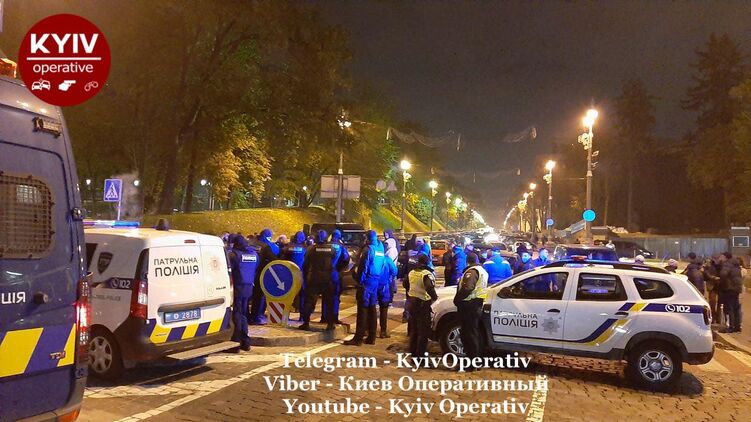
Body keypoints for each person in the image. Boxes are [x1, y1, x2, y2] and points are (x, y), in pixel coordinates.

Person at [345, 230, 386, 346]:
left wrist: (359, 280)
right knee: (372, 309)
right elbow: (382, 265)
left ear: (367, 239)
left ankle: (358, 339)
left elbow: (363, 266)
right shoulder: (380, 249)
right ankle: (371, 337)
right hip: (375, 281)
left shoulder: (368, 250)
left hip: (366, 282)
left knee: (362, 310)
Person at [300, 230, 343, 331]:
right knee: (329, 302)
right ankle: (330, 324)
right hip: (328, 278)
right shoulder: (332, 249)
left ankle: (306, 323)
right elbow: (344, 259)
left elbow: (305, 265)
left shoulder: (311, 249)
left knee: (309, 301)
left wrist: (305, 277)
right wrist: (336, 270)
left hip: (314, 278)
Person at [453, 253, 488, 367]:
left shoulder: (472, 271)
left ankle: (471, 363)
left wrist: (457, 299)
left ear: (467, 261)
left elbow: (468, 288)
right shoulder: (482, 271)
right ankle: (475, 361)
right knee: (472, 333)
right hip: (476, 305)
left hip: (469, 306)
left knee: (468, 335)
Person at [227, 235, 258, 351]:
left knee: (236, 315)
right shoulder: (254, 254)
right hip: (249, 288)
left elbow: (229, 270)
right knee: (243, 314)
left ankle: (236, 343)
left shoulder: (234, 255)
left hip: (237, 288)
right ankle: (245, 342)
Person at [406, 254, 438, 357]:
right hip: (422, 305)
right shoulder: (426, 274)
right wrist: (434, 297)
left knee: (414, 331)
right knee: (423, 333)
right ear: (427, 262)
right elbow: (429, 287)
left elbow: (405, 284)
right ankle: (420, 356)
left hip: (412, 303)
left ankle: (413, 354)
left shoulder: (412, 272)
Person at [249, 228, 280, 325]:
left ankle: (246, 316)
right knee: (258, 296)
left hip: (247, 273)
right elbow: (273, 259)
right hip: (259, 273)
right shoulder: (265, 247)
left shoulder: (250, 243)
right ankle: (255, 317)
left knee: (246, 297)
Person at [321, 229, 350, 324]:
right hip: (335, 273)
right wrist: (340, 268)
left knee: (325, 295)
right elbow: (346, 259)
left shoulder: (326, 245)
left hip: (325, 274)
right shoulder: (341, 246)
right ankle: (334, 317)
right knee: (335, 296)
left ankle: (324, 317)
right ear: (339, 237)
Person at [378, 237, 399, 338]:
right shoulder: (387, 260)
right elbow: (395, 271)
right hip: (384, 286)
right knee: (383, 309)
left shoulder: (375, 258)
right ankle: (383, 331)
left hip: (374, 286)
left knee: (371, 308)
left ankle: (369, 330)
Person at [283, 231, 307, 317]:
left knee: (287, 293)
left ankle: (285, 313)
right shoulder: (305, 248)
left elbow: (283, 259)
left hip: (288, 272)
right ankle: (301, 314)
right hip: (300, 273)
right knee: (301, 293)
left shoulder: (287, 247)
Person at [719, 252, 743, 333]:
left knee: (729, 308)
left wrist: (721, 283)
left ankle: (730, 327)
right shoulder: (736, 265)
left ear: (725, 257)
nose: (720, 258)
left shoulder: (727, 265)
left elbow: (723, 274)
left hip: (729, 289)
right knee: (736, 308)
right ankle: (737, 326)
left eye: (721, 256)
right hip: (736, 289)